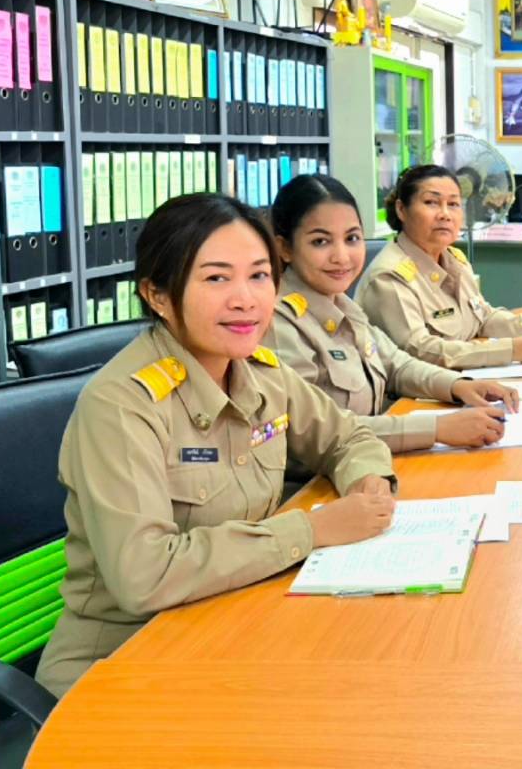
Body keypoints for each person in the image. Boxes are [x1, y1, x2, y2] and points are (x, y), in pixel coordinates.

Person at [36, 194, 398, 697]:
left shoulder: (259, 373)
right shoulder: (122, 407)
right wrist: (311, 530)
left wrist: (367, 483)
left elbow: (348, 436)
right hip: (124, 664)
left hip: (238, 620)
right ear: (158, 295)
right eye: (216, 278)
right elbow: (145, 574)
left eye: (258, 275)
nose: (246, 299)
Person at [267, 174, 517, 453]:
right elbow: (319, 430)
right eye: (320, 242)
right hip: (315, 484)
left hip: (367, 459)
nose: (341, 256)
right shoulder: (277, 323)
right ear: (285, 248)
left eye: (352, 238)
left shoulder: (342, 304)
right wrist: (437, 429)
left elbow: (396, 364)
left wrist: (459, 386)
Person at [359, 165, 522, 369]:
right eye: (431, 203)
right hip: (412, 400)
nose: (445, 214)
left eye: (454, 204)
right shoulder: (389, 277)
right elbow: (420, 352)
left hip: (460, 381)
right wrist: (511, 350)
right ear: (401, 210)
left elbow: (483, 318)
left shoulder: (454, 259)